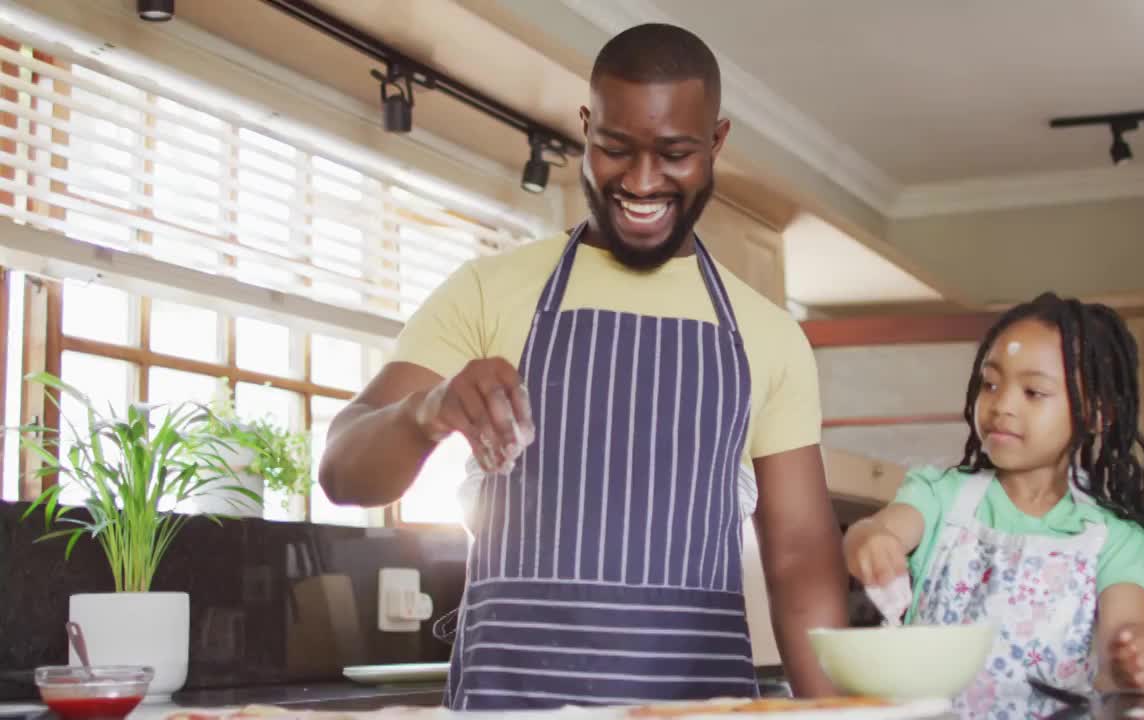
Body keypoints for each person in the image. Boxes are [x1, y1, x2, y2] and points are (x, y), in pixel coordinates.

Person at [318, 23, 847, 710]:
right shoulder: (486, 291)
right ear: (586, 128)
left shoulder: (768, 336)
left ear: (716, 143)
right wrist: (427, 412)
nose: (642, 180)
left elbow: (800, 555)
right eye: (616, 148)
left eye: (676, 153)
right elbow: (341, 471)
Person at [843, 292, 1144, 715]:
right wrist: (869, 540)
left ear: (1096, 413)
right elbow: (878, 530)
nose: (1001, 405)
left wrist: (1140, 663)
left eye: (1033, 391)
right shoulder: (940, 496)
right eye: (991, 383)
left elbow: (1124, 633)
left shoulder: (1115, 539)